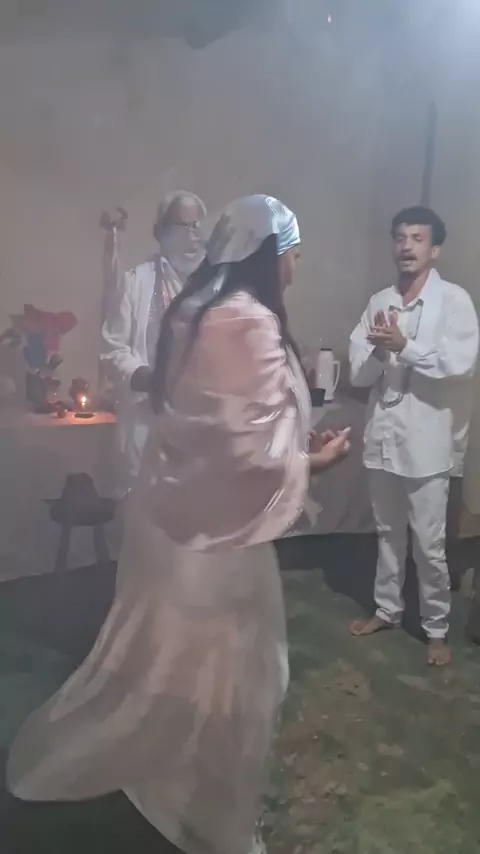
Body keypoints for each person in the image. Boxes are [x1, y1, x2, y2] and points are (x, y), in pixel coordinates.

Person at [7, 195, 351, 854]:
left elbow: (215, 425)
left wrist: (288, 449)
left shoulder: (197, 307)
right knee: (244, 677)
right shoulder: (246, 321)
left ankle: (164, 774)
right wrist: (312, 462)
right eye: (293, 253)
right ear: (268, 255)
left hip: (173, 514)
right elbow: (244, 452)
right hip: (219, 534)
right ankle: (209, 814)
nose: (297, 267)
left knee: (172, 657)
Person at [349, 206, 479, 666]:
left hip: (427, 443)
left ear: (435, 249)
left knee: (428, 543)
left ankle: (435, 628)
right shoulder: (379, 302)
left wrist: (406, 347)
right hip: (384, 436)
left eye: (418, 238)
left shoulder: (455, 302)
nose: (406, 246)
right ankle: (387, 609)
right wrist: (379, 352)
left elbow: (460, 364)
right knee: (387, 533)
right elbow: (359, 373)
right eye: (401, 237)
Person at [101, 190, 207, 495]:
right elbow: (112, 349)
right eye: (182, 226)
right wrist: (147, 377)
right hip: (147, 425)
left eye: (197, 226)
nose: (192, 236)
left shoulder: (215, 285)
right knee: (143, 515)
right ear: (159, 232)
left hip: (200, 428)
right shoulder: (136, 281)